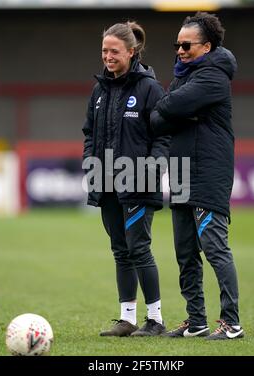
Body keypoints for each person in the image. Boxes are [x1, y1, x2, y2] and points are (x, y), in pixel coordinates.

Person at [151, 12, 244, 340]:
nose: (179, 49)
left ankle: (231, 323)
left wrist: (172, 111)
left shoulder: (213, 77)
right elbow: (160, 117)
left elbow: (170, 107)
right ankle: (197, 320)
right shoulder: (184, 76)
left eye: (186, 44)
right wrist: (172, 111)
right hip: (180, 172)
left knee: (214, 247)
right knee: (185, 251)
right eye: (177, 44)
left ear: (206, 46)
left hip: (207, 172)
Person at [82, 21, 170, 337]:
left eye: (114, 51)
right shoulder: (98, 90)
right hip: (106, 184)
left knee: (139, 249)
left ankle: (156, 320)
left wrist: (154, 167)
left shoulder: (150, 88)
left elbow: (163, 136)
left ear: (131, 52)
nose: (108, 56)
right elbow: (89, 133)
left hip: (138, 183)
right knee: (120, 250)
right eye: (104, 50)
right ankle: (127, 319)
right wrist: (89, 163)